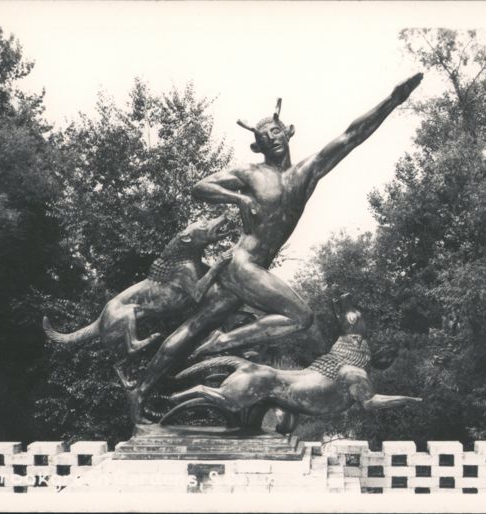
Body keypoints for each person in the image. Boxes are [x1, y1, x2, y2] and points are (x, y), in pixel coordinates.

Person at [130, 73, 423, 423]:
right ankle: (222, 342)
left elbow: (350, 137)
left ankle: (141, 389)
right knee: (301, 317)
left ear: (288, 132)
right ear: (258, 147)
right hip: (242, 264)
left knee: (192, 330)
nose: (272, 138)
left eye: (276, 131)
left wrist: (392, 100)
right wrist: (237, 198)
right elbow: (199, 186)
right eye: (263, 136)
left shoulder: (305, 173)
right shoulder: (250, 174)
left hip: (248, 271)